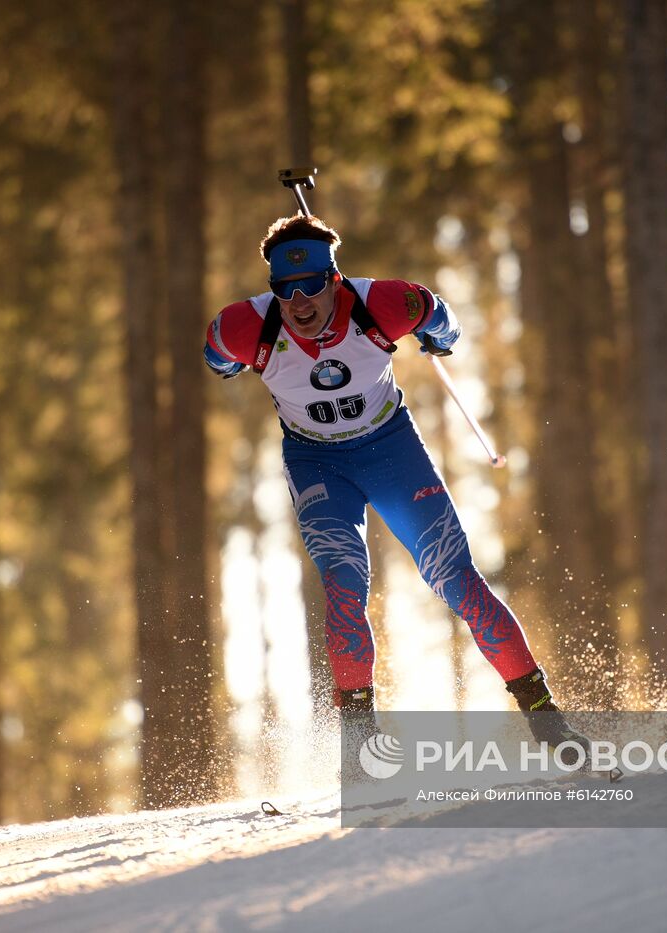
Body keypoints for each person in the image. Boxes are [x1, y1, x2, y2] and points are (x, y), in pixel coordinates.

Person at [202, 213, 581, 746]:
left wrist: (437, 336)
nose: (299, 303)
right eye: (284, 291)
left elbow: (438, 316)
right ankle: (360, 747)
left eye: (310, 285)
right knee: (344, 584)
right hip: (317, 462)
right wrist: (229, 364)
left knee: (456, 579)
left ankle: (547, 721)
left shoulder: (382, 303)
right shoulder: (246, 326)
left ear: (334, 278)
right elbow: (215, 355)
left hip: (390, 451)